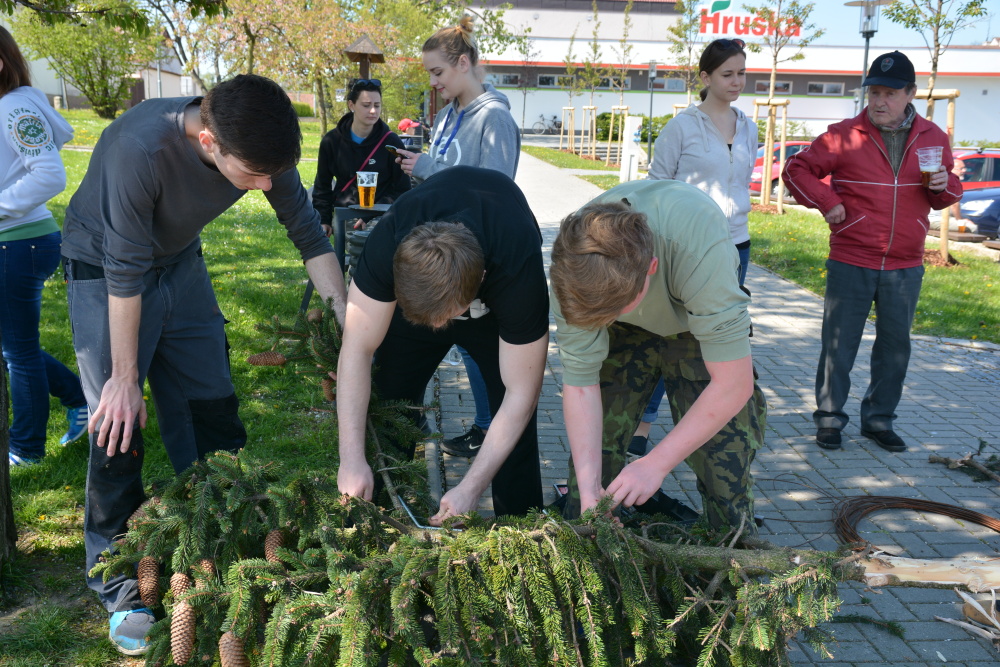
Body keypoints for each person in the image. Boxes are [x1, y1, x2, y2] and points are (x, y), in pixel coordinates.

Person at [60, 74, 347, 656]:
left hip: (181, 265)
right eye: (255, 175)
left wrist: (345, 333)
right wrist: (123, 378)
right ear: (209, 142)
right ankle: (119, 583)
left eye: (273, 174)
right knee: (117, 424)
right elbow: (124, 271)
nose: (266, 185)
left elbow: (309, 236)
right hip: (104, 270)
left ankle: (219, 538)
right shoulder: (138, 149)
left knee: (212, 403)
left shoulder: (260, 145)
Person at [548, 180, 767, 532]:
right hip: (623, 317)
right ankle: (591, 539)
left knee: (724, 454)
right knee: (597, 449)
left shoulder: (700, 253)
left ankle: (732, 547)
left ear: (651, 268)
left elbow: (733, 384)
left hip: (692, 319)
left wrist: (655, 464)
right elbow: (581, 386)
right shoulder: (573, 270)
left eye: (614, 308)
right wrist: (588, 489)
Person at [335, 166, 547, 525]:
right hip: (424, 295)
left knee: (514, 425)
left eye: (445, 317)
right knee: (390, 402)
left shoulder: (517, 267)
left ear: (482, 279)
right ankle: (371, 519)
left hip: (492, 310)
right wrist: (350, 459)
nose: (438, 328)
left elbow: (521, 395)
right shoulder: (387, 242)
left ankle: (521, 533)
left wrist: (470, 487)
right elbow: (356, 350)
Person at [782, 51, 962, 453]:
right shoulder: (844, 134)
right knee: (839, 344)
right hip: (852, 257)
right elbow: (796, 169)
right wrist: (827, 201)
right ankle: (830, 419)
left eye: (890, 93)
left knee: (895, 349)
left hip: (905, 263)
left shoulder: (933, 137)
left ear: (911, 93)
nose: (879, 101)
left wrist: (943, 186)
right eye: (874, 92)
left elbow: (946, 191)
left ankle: (879, 421)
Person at [394, 17, 522, 458]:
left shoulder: (496, 118)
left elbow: (495, 191)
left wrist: (428, 168)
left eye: (438, 72)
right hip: (440, 255)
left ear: (463, 63)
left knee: (477, 349)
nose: (433, 82)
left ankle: (490, 433)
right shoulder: (447, 114)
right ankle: (423, 432)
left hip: (473, 258)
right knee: (443, 346)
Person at [639, 38, 757, 456]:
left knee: (718, 341)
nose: (736, 82)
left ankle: (709, 429)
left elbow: (740, 184)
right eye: (727, 74)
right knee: (669, 336)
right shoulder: (682, 127)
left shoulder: (749, 126)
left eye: (742, 73)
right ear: (705, 77)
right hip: (687, 250)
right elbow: (655, 188)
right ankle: (641, 429)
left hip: (735, 247)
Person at [0, 26, 89, 467]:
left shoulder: (14, 107)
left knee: (17, 351)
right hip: (18, 241)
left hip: (19, 244)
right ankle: (78, 398)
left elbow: (50, 175)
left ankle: (27, 448)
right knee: (12, 346)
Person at [311, 78, 410, 236]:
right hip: (344, 215)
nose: (373, 111)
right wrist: (324, 219)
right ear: (351, 105)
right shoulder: (332, 141)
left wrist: (374, 213)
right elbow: (322, 186)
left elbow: (403, 189)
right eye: (366, 105)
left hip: (382, 218)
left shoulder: (391, 142)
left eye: (377, 105)